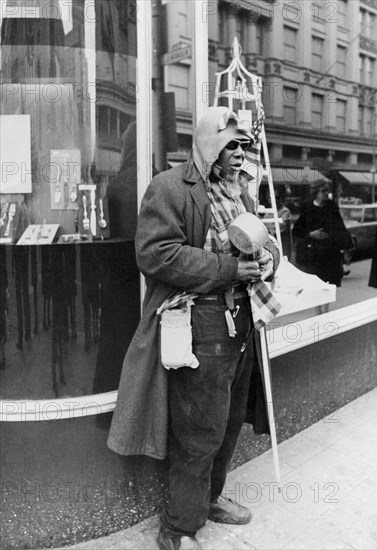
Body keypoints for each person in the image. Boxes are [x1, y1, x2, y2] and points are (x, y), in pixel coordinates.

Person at [107, 107, 280, 550]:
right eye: (232, 145)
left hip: (242, 318)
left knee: (227, 422)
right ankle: (179, 526)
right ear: (207, 145)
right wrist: (229, 268)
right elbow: (156, 254)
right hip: (201, 321)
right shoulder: (168, 188)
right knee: (199, 430)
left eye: (245, 145)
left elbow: (266, 239)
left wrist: (267, 259)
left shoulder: (239, 190)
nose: (242, 154)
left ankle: (209, 498)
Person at [292, 179, 353, 293]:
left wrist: (346, 249)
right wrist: (311, 234)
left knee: (329, 287)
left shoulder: (332, 206)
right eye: (324, 191)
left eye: (328, 191)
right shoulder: (307, 207)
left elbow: (340, 227)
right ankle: (318, 311)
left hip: (330, 253)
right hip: (313, 254)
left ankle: (325, 311)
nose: (327, 193)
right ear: (316, 192)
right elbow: (297, 229)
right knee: (316, 287)